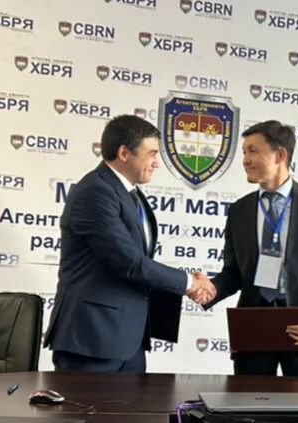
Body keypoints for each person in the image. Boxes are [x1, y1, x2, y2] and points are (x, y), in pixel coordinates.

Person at [44, 115, 216, 373]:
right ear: (124, 153)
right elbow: (129, 263)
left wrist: (190, 283)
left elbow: (139, 260)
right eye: (152, 154)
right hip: (92, 339)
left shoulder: (129, 193)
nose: (157, 163)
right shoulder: (95, 192)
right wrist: (190, 283)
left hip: (129, 339)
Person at [195, 120, 298, 378]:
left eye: (253, 151)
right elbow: (233, 272)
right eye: (244, 152)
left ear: (280, 155)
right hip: (254, 332)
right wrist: (210, 288)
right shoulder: (239, 210)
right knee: (249, 404)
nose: (245, 160)